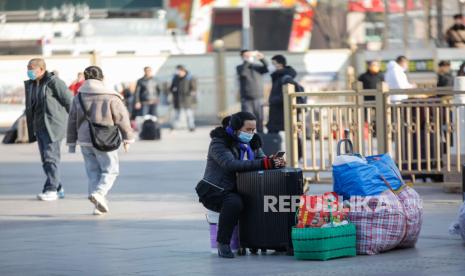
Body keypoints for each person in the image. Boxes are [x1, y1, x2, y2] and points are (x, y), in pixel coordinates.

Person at [196, 111, 286, 258]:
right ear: (236, 128)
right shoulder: (219, 142)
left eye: (253, 129)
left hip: (243, 188)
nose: (251, 133)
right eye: (248, 130)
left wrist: (274, 161)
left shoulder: (252, 142)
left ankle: (270, 241)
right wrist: (264, 163)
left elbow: (261, 159)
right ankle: (223, 243)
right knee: (234, 203)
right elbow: (230, 164)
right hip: (216, 191)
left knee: (269, 199)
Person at [66, 66, 135, 215]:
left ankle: (97, 206)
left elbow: (72, 120)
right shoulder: (111, 96)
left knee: (93, 172)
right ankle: (100, 193)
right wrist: (127, 139)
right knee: (111, 170)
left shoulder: (78, 96)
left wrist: (71, 143)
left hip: (84, 140)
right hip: (105, 139)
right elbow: (122, 118)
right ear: (102, 78)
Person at [24, 58, 73, 201]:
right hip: (39, 126)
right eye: (28, 68)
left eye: (32, 69)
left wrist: (76, 122)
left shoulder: (53, 82)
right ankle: (58, 187)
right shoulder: (31, 84)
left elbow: (69, 100)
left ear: (42, 69)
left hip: (53, 126)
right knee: (45, 159)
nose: (29, 72)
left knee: (51, 158)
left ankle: (51, 189)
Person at [236, 50, 269, 133]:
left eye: (249, 55)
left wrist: (262, 59)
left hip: (259, 97)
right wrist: (247, 61)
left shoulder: (257, 67)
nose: (249, 56)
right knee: (248, 119)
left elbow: (266, 68)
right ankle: (248, 139)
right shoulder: (240, 67)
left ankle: (260, 137)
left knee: (260, 119)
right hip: (246, 99)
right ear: (242, 57)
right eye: (246, 55)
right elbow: (243, 73)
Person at [266, 54, 298, 134]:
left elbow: (287, 94)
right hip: (277, 110)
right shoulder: (277, 76)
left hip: (283, 110)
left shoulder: (286, 78)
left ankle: (298, 147)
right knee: (273, 132)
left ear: (280, 64)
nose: (271, 66)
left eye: (273, 63)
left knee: (292, 133)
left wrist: (272, 101)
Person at [170, 65, 197, 132]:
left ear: (184, 71)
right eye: (178, 71)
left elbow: (194, 88)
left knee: (189, 114)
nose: (179, 73)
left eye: (180, 71)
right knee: (176, 114)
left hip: (187, 99)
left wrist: (191, 92)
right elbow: (171, 87)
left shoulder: (189, 77)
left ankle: (191, 127)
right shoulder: (175, 78)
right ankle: (174, 127)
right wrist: (173, 92)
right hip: (178, 99)